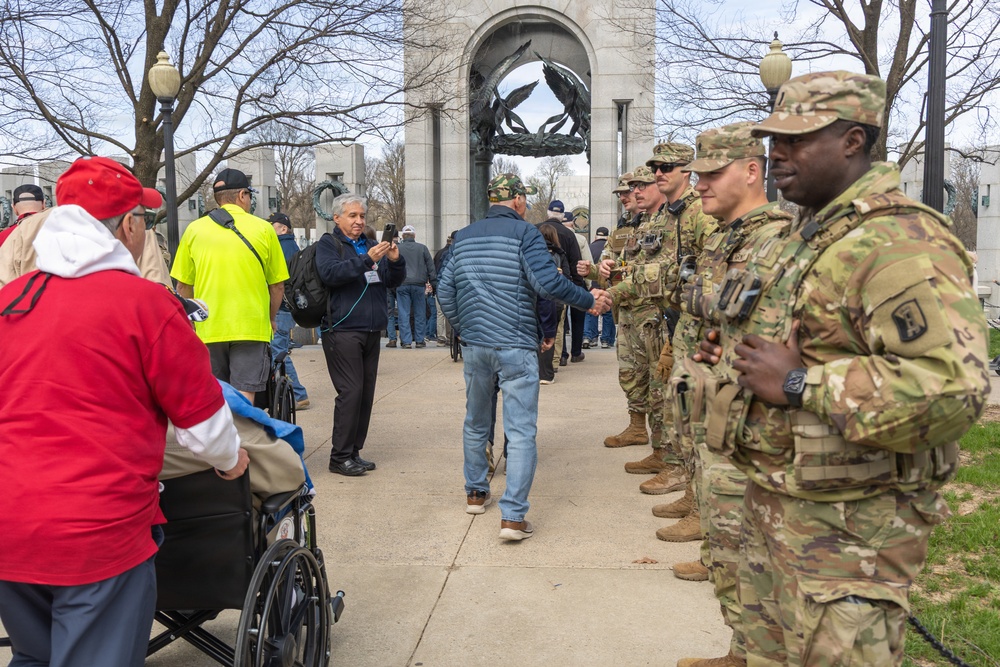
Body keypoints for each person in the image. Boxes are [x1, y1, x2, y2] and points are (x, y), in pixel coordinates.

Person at [695, 71, 989, 666]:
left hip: (850, 537)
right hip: (778, 507)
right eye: (773, 140)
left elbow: (952, 390)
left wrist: (801, 383)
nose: (777, 154)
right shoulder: (805, 236)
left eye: (797, 140)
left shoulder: (897, 241)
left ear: (853, 141)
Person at [0, 156, 247, 667]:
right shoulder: (146, 304)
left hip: (11, 523)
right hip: (98, 529)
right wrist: (230, 460)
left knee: (35, 656)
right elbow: (202, 422)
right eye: (144, 220)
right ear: (128, 226)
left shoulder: (12, 299)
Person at [657, 122, 793, 667]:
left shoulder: (777, 239)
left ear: (752, 171)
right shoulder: (729, 236)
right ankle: (743, 649)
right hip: (724, 416)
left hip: (759, 430)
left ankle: (756, 653)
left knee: (746, 553)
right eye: (698, 173)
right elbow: (727, 315)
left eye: (713, 173)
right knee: (726, 545)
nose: (700, 182)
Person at [437, 173, 611, 541]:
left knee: (475, 420)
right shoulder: (526, 234)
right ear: (517, 200)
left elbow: (445, 288)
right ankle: (513, 517)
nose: (527, 204)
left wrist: (463, 326)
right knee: (520, 431)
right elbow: (548, 283)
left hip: (476, 344)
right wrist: (588, 300)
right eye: (525, 199)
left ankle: (475, 492)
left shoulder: (463, 237)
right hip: (515, 343)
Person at [609, 144, 717, 500]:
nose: (657, 173)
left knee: (683, 402)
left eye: (666, 167)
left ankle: (682, 476)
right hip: (672, 320)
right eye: (656, 166)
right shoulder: (669, 216)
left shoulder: (699, 213)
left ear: (687, 170)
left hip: (693, 322)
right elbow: (656, 268)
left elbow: (710, 269)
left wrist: (619, 290)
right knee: (664, 393)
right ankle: (668, 461)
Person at [171, 168, 289, 402]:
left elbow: (183, 286)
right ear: (243, 195)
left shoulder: (194, 230)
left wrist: (192, 323)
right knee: (245, 393)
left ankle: (220, 437)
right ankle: (242, 435)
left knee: (215, 395)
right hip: (251, 325)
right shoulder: (264, 229)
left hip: (208, 327)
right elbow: (277, 286)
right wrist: (271, 317)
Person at [316, 193, 405, 476]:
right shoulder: (328, 245)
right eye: (352, 216)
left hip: (370, 328)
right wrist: (366, 260)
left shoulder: (369, 244)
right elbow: (331, 274)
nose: (358, 221)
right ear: (337, 218)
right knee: (351, 391)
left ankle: (353, 451)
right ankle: (338, 456)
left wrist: (395, 259)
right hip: (342, 329)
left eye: (362, 216)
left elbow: (390, 281)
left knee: (365, 393)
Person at [268, 212, 310, 410]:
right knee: (278, 350)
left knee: (278, 352)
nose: (268, 228)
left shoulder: (280, 248)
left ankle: (299, 394)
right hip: (288, 307)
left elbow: (278, 282)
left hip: (280, 307)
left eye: (272, 225)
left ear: (283, 229)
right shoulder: (292, 247)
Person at [539, 199, 585, 367]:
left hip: (538, 288)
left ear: (548, 213)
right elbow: (575, 262)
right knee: (559, 323)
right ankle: (559, 357)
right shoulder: (569, 235)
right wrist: (578, 286)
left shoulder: (535, 229)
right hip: (561, 287)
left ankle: (543, 359)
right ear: (563, 215)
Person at [394, 224, 437, 348]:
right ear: (414, 235)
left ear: (403, 236)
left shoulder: (398, 248)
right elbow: (431, 268)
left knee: (403, 313)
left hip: (402, 284)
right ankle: (419, 340)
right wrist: (434, 284)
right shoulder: (422, 248)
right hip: (419, 284)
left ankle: (406, 341)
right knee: (420, 313)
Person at [582, 226, 615, 349]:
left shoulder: (590, 247)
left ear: (596, 236)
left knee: (591, 312)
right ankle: (606, 340)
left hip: (592, 285)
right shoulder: (610, 249)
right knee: (607, 313)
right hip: (606, 285)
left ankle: (588, 337)